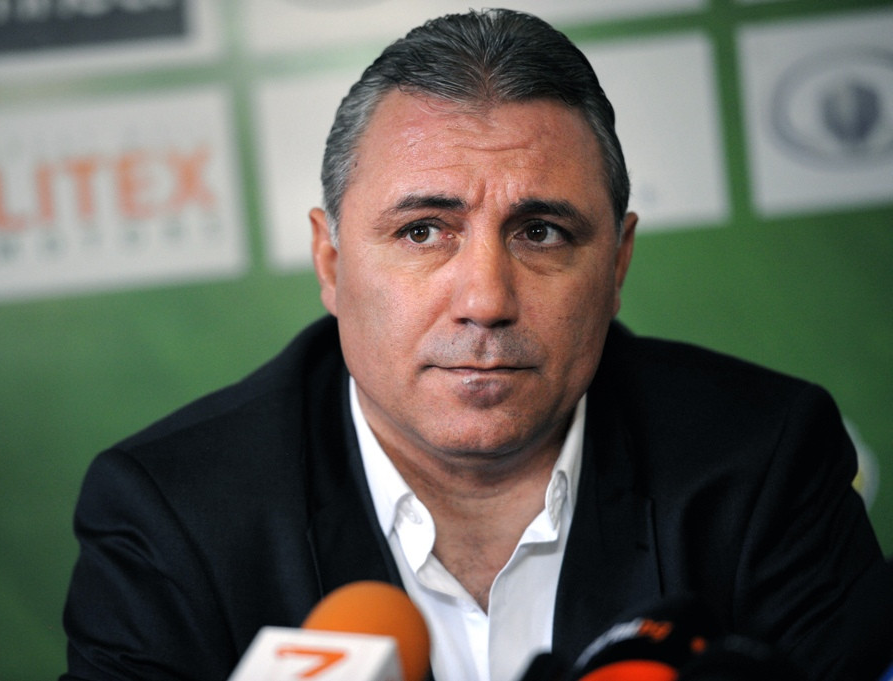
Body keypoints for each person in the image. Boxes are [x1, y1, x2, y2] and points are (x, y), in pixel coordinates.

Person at [60, 9, 892, 681]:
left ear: (617, 264)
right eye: (424, 230)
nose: (486, 300)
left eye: (541, 231)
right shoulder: (174, 517)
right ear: (331, 262)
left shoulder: (762, 460)